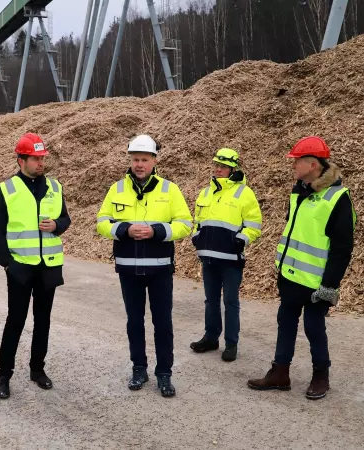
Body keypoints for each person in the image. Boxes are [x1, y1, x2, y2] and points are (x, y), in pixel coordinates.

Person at [248, 136, 356, 400]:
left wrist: (329, 285)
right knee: (285, 323)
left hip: (317, 281)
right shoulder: (298, 191)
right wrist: (282, 267)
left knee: (313, 327)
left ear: (312, 164)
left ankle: (321, 376)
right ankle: (280, 373)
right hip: (290, 275)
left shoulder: (338, 198)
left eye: (297, 161)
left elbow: (342, 249)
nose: (293, 166)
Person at [96, 135, 193, 397]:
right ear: (130, 160)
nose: (139, 164)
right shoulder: (116, 189)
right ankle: (139, 368)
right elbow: (102, 222)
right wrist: (125, 229)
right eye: (135, 159)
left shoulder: (169, 190)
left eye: (144, 160)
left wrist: (157, 231)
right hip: (128, 270)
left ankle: (164, 374)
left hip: (160, 269)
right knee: (134, 322)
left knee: (163, 323)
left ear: (154, 161)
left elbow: (185, 223)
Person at [0, 133, 71, 400]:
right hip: (20, 267)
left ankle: (37, 370)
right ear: (21, 159)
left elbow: (66, 219)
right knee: (15, 320)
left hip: (48, 266)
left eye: (42, 158)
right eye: (35, 158)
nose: (40, 163)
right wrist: (7, 263)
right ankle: (4, 374)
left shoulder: (55, 187)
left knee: (43, 321)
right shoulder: (7, 189)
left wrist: (57, 226)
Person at [189, 148, 262, 362]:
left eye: (223, 166)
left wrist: (241, 240)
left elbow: (254, 225)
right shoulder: (205, 192)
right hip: (208, 258)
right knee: (211, 301)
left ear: (233, 168)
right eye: (217, 165)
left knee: (230, 302)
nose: (218, 169)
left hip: (231, 260)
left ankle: (231, 343)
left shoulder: (244, 193)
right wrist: (196, 237)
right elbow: (198, 221)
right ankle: (211, 338)